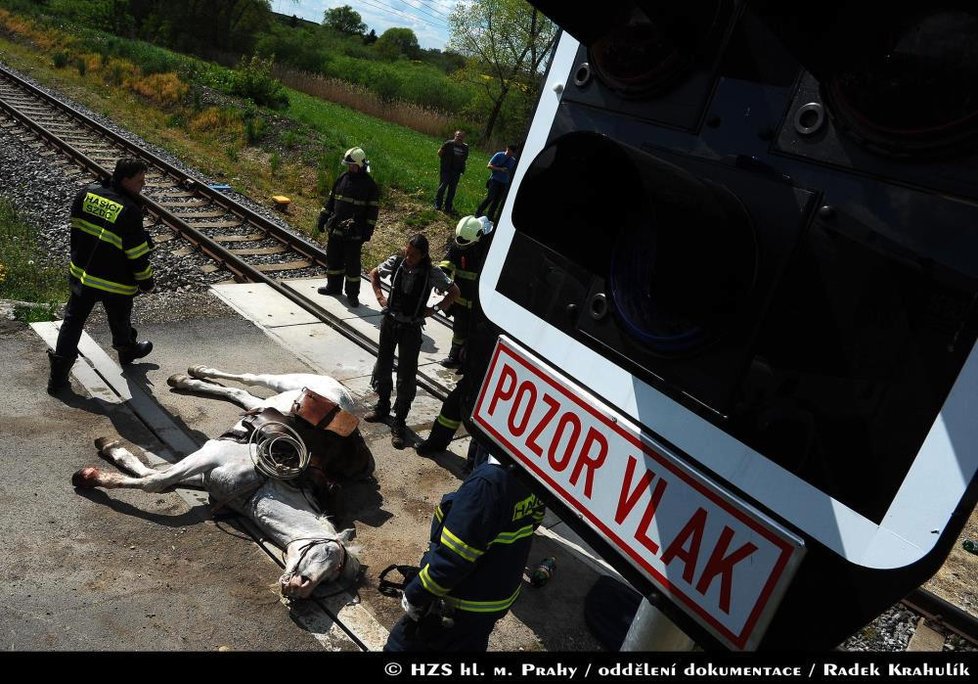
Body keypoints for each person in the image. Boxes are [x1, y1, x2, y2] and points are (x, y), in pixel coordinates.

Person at [384, 449, 546, 652]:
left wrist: (416, 593)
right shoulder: (535, 474)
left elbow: (453, 559)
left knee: (402, 645)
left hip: (463, 604)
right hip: (495, 599)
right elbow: (535, 520)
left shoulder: (487, 484)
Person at [47, 157, 155, 394]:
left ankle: (57, 379)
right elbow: (137, 255)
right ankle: (126, 350)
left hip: (82, 274)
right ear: (126, 180)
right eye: (140, 181)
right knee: (119, 318)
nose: (143, 185)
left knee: (72, 323)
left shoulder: (86, 193)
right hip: (115, 281)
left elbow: (77, 230)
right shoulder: (130, 210)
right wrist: (147, 282)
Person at [366, 234, 460, 448]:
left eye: (413, 255)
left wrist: (434, 310)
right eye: (407, 253)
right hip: (390, 323)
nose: (409, 258)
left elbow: (454, 292)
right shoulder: (397, 262)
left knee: (406, 374)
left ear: (423, 255)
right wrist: (380, 297)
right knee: (383, 365)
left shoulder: (432, 273)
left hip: (411, 328)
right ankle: (382, 406)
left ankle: (399, 421)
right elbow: (374, 273)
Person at [316, 147, 380, 307]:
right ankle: (333, 287)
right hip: (336, 228)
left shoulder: (369, 186)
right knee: (333, 258)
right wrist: (323, 218)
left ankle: (352, 295)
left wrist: (367, 232)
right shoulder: (342, 178)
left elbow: (372, 212)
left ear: (360, 165)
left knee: (352, 265)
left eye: (353, 166)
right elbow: (331, 201)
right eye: (349, 166)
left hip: (354, 232)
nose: (350, 168)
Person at [436, 215, 493, 368]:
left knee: (475, 334)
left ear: (478, 236)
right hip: (461, 298)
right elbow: (447, 263)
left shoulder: (489, 248)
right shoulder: (459, 243)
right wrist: (441, 280)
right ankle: (454, 356)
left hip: (479, 302)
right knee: (459, 330)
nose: (462, 246)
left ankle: (469, 362)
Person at [475, 144, 517, 223]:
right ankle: (478, 212)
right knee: (490, 197)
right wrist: (500, 169)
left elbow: (512, 172)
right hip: (495, 180)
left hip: (504, 183)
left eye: (512, 152)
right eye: (509, 150)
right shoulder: (499, 155)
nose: (509, 153)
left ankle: (490, 216)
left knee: (497, 201)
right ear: (507, 148)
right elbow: (489, 166)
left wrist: (508, 172)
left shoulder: (513, 161)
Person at [434, 130, 468, 215]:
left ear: (464, 138)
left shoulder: (465, 147)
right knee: (442, 187)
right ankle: (438, 204)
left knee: (452, 190)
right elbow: (439, 153)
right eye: (458, 136)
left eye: (461, 137)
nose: (459, 138)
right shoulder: (448, 144)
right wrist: (445, 162)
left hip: (456, 172)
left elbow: (464, 158)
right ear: (455, 136)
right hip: (446, 170)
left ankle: (448, 207)